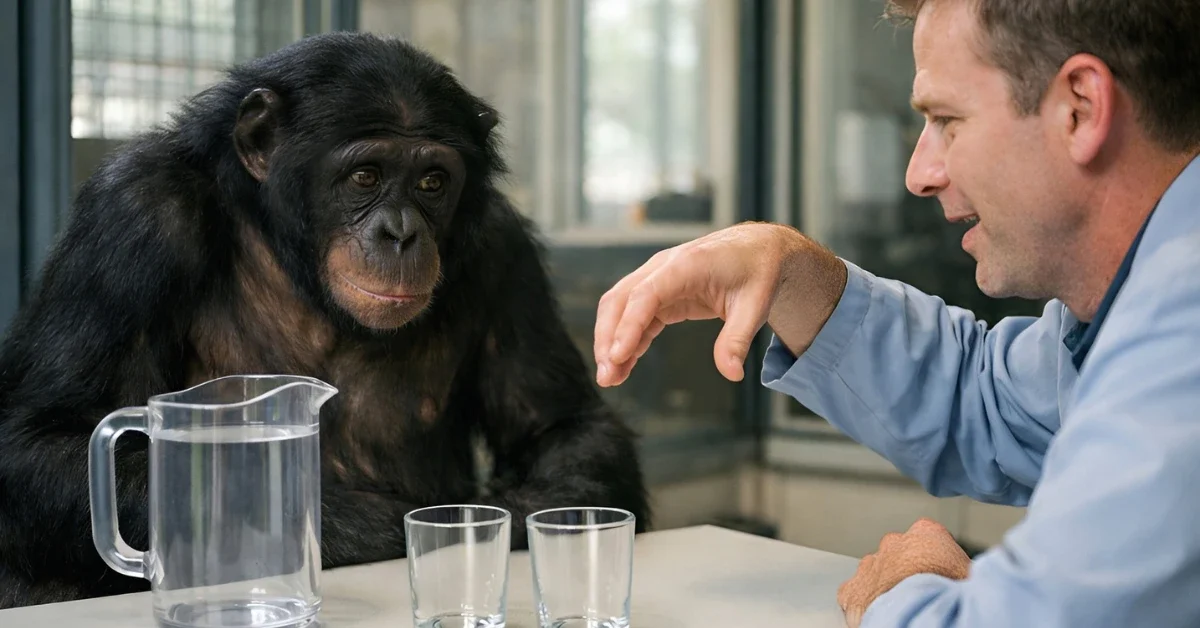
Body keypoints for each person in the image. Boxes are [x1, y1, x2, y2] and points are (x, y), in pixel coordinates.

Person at [592, 0, 1200, 626]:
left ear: (1081, 108)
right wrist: (789, 276)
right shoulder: (1135, 297)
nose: (918, 174)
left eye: (947, 120)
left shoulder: (1185, 331)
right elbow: (988, 403)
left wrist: (908, 591)